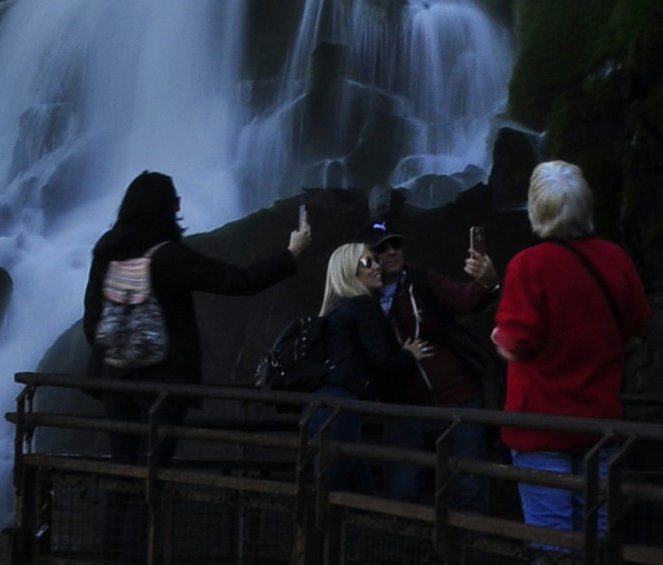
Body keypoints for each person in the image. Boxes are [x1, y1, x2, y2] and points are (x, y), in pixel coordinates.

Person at [490, 160, 649, 565]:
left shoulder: (527, 267)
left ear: (538, 209)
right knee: (599, 546)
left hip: (540, 431)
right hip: (600, 426)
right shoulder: (616, 260)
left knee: (555, 551)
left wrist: (497, 338)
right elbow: (636, 327)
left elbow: (516, 343)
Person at [83, 171, 312, 463]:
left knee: (122, 471)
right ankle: (144, 509)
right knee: (151, 472)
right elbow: (238, 281)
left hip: (114, 380)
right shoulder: (169, 256)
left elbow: (92, 315)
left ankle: (118, 510)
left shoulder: (107, 253)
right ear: (167, 208)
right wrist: (292, 254)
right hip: (162, 384)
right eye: (176, 202)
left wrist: (115, 353)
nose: (179, 207)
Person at [368, 220, 501, 507]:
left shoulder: (424, 281)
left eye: (396, 245)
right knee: (402, 496)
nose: (391, 251)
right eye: (381, 248)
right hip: (405, 412)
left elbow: (464, 299)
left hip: (458, 403)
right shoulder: (363, 300)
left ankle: (470, 552)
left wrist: (488, 282)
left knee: (470, 491)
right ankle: (412, 552)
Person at [308, 241, 421, 494]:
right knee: (332, 494)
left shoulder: (336, 310)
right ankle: (312, 534)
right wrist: (409, 354)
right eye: (368, 262)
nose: (377, 266)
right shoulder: (362, 305)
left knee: (356, 493)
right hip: (341, 409)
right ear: (350, 270)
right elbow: (382, 362)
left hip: (326, 408)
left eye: (376, 261)